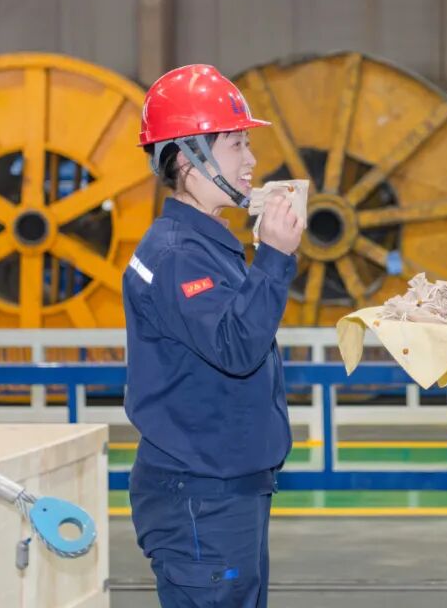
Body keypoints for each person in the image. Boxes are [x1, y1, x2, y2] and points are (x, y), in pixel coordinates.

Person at [122, 64, 304, 607]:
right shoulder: (178, 255)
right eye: (236, 144)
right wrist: (274, 256)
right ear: (187, 159)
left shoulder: (201, 245)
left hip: (218, 487)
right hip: (202, 497)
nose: (251, 161)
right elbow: (237, 346)